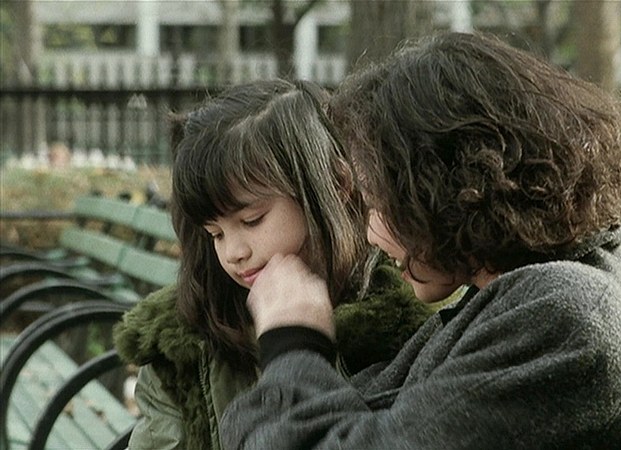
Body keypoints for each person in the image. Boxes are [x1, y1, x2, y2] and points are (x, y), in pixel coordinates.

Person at [221, 32, 621, 449]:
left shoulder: (565, 316)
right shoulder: (516, 305)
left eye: (380, 205)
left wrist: (293, 343)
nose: (372, 233)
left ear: (451, 191)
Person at [113, 79, 433, 450]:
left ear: (337, 184)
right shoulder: (188, 342)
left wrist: (296, 347)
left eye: (252, 221)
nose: (233, 252)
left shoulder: (401, 336)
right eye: (216, 234)